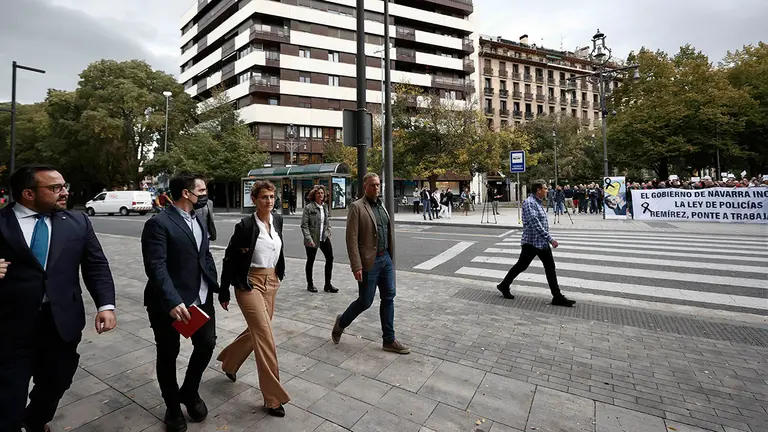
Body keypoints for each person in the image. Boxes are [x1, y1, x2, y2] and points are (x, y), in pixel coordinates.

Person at [0, 164, 117, 432]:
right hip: (10, 326)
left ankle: (35, 420)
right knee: (8, 396)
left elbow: (96, 264)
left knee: (56, 381)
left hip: (61, 323)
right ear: (28, 194)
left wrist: (106, 305)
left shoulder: (77, 222)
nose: (65, 192)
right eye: (55, 188)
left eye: (64, 186)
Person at [141, 172, 220, 432]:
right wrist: (172, 299)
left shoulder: (199, 218)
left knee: (207, 343)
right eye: (202, 190)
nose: (205, 195)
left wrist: (218, 287)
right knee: (168, 354)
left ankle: (189, 391)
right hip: (169, 304)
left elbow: (204, 255)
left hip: (201, 297)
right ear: (186, 193)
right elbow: (156, 266)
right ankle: (172, 407)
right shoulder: (159, 223)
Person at [217, 180, 290, 417]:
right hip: (248, 284)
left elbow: (277, 250)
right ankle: (273, 397)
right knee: (266, 336)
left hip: (271, 283)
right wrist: (224, 288)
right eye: (264, 197)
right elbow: (229, 258)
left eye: (271, 197)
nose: (269, 201)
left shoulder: (277, 220)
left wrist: (278, 273)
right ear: (254, 200)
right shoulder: (246, 226)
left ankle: (229, 361)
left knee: (258, 331)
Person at [331, 173, 409, 354]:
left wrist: (390, 256)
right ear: (365, 187)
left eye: (378, 185)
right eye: (373, 185)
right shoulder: (357, 207)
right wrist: (356, 265)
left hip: (385, 259)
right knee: (365, 301)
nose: (376, 188)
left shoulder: (382, 206)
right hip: (369, 262)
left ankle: (389, 340)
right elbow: (351, 239)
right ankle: (341, 322)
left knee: (389, 297)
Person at [496, 179, 576, 307]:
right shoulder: (529, 203)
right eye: (545, 188)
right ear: (538, 190)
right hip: (531, 242)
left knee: (550, 268)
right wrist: (550, 239)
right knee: (521, 266)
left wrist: (547, 239)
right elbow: (535, 224)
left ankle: (557, 296)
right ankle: (504, 285)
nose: (547, 190)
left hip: (542, 243)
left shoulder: (538, 203)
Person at [300, 185, 338, 293]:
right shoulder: (309, 208)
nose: (320, 195)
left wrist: (328, 231)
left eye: (322, 193)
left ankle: (328, 284)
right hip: (312, 238)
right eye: (318, 193)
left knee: (330, 258)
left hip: (323, 237)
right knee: (311, 261)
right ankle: (310, 284)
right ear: (314, 195)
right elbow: (304, 225)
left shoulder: (324, 207)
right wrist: (309, 239)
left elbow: (327, 221)